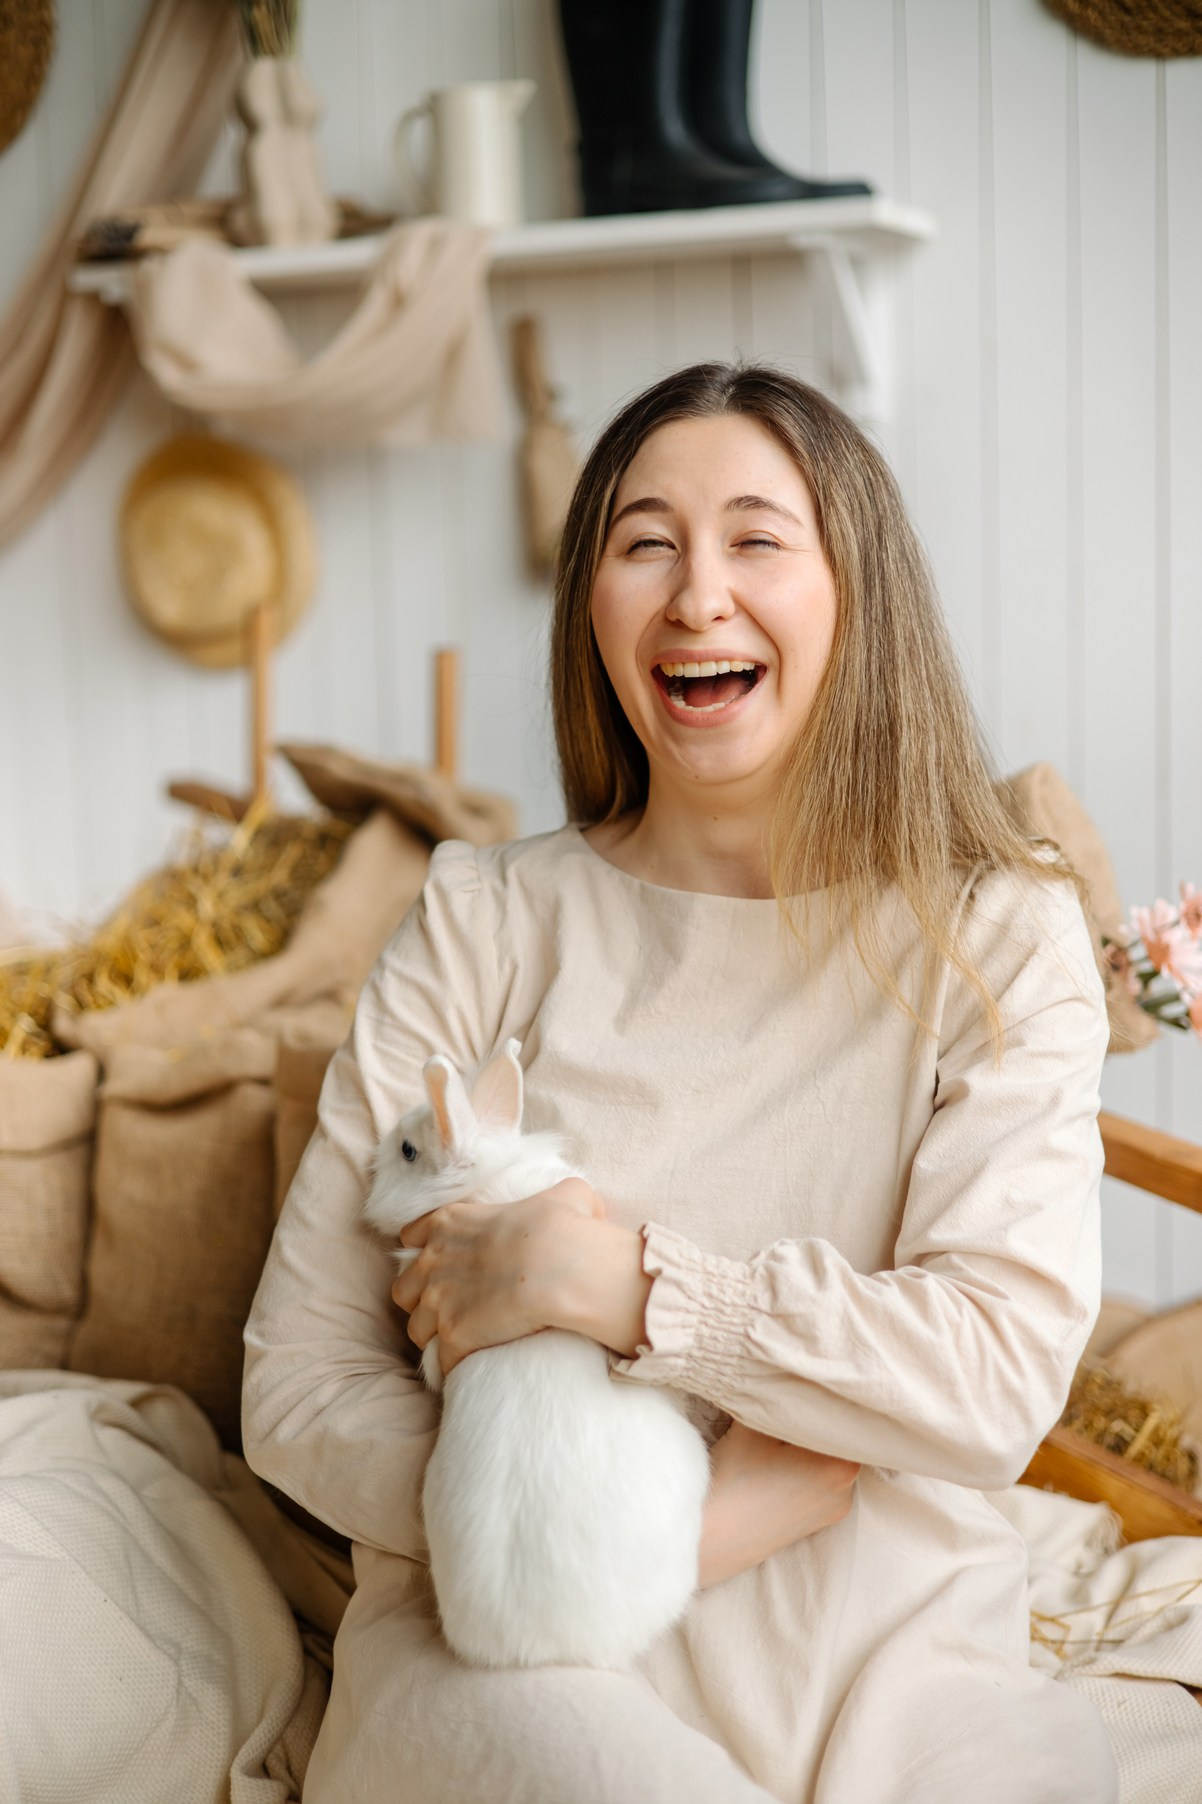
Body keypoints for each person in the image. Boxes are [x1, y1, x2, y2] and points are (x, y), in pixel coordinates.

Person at [242, 363, 1118, 1802]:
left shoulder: (994, 935)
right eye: (643, 543)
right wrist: (651, 1542)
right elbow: (299, 1382)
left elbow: (990, 1380)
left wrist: (618, 1281)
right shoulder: (483, 919)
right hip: (518, 1668)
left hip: (889, 1652)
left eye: (757, 540)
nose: (695, 594)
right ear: (591, 607)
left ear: (857, 595)